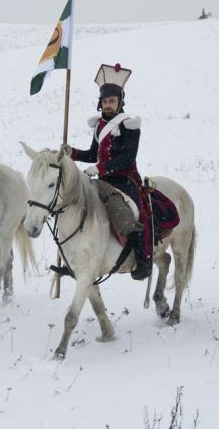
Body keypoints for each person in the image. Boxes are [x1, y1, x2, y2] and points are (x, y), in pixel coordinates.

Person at [63, 63, 151, 280]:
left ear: (120, 101)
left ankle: (143, 261)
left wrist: (100, 168)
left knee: (129, 215)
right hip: (102, 181)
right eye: (105, 101)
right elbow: (93, 154)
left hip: (124, 181)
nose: (108, 105)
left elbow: (127, 158)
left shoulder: (130, 125)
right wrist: (72, 152)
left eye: (112, 101)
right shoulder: (99, 126)